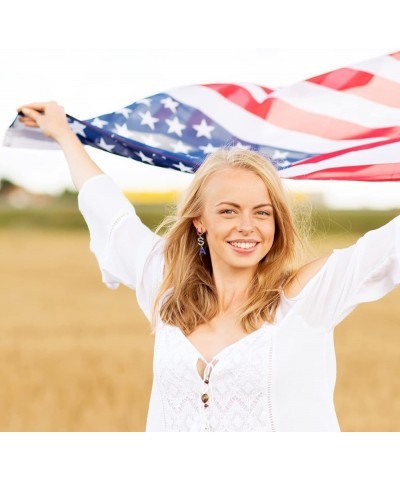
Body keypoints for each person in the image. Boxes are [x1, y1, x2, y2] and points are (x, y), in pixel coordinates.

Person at [17, 101, 400, 432]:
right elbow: (108, 210)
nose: (246, 226)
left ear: (276, 221)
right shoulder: (164, 287)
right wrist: (64, 135)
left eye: (262, 213)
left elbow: (386, 247)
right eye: (228, 211)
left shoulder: (306, 300)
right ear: (200, 220)